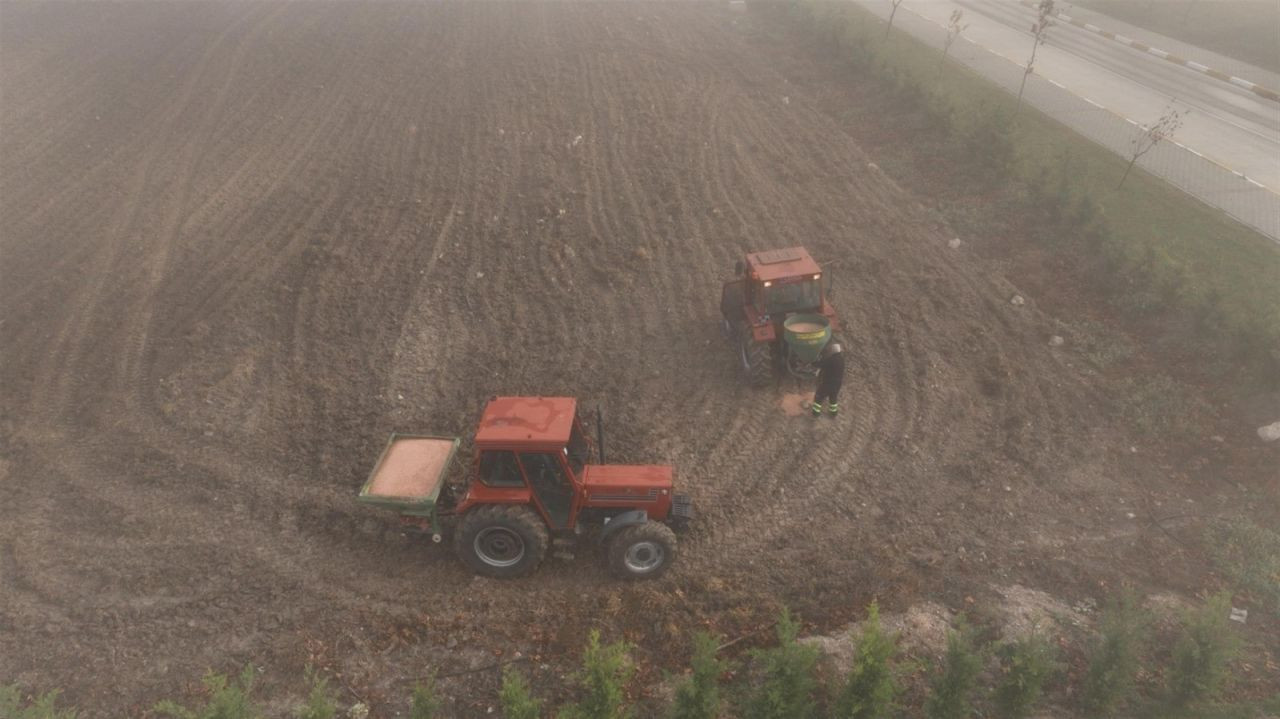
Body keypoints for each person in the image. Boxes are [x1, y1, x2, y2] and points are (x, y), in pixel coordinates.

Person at [811, 341, 845, 417]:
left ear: (833, 351)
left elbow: (821, 364)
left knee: (819, 396)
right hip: (838, 383)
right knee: (833, 398)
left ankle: (815, 414)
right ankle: (833, 414)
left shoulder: (831, 359)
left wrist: (812, 363)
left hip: (829, 383)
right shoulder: (841, 359)